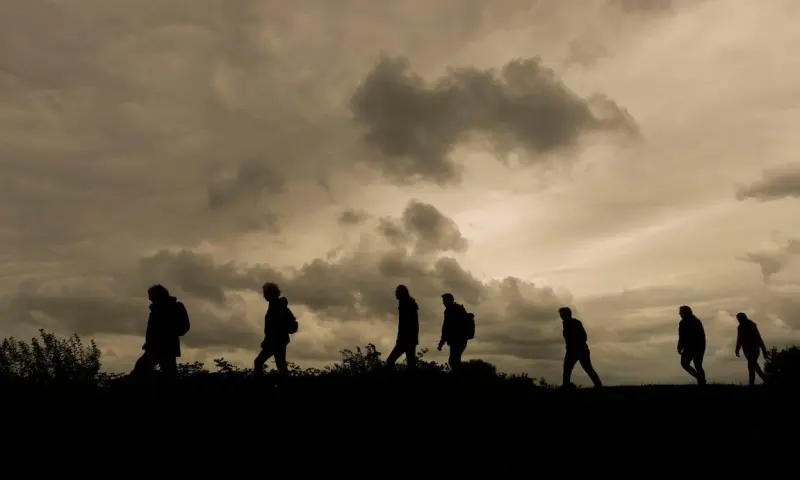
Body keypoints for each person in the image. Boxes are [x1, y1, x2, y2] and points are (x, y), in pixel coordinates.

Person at [131, 285, 191, 378]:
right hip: (155, 348)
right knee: (141, 369)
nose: (150, 299)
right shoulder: (155, 310)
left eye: (152, 297)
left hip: (167, 348)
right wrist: (148, 342)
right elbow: (152, 330)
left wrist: (169, 335)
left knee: (169, 375)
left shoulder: (175, 307)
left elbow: (184, 327)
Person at [253, 282, 294, 376]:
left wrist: (267, 341)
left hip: (275, 340)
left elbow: (274, 327)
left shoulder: (276, 307)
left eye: (266, 293)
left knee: (259, 362)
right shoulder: (277, 305)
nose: (264, 296)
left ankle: (257, 386)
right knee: (281, 365)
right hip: (279, 340)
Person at [559, 307, 602, 388]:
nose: (561, 316)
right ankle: (565, 388)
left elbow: (583, 336)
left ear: (567, 314)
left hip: (580, 350)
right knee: (567, 370)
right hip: (572, 350)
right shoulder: (566, 324)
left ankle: (599, 386)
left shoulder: (575, 323)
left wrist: (576, 345)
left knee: (588, 369)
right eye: (561, 314)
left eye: (563, 314)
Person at [385, 285, 419, 370]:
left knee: (390, 360)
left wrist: (399, 339)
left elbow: (403, 325)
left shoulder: (404, 304)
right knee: (411, 364)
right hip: (411, 338)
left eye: (396, 292)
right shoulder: (411, 303)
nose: (395, 294)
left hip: (405, 339)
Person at [437, 293, 471, 372]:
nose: (443, 303)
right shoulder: (458, 309)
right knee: (454, 360)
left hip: (457, 340)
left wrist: (441, 343)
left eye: (444, 301)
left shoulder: (450, 311)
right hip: (461, 340)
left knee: (454, 361)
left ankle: (459, 378)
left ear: (449, 301)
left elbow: (446, 328)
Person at [734, 312, 768, 386]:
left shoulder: (747, 326)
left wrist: (737, 349)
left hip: (752, 349)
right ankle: (758, 381)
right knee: (752, 366)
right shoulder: (746, 326)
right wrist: (737, 349)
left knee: (752, 366)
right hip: (751, 349)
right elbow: (740, 339)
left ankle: (762, 380)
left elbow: (740, 339)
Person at [677, 305, 706, 385]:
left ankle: (700, 379)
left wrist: (679, 347)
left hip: (690, 347)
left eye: (681, 312)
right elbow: (702, 335)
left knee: (685, 363)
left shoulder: (683, 323)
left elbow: (682, 336)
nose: (679, 313)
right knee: (698, 365)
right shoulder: (696, 321)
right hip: (700, 345)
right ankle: (701, 381)